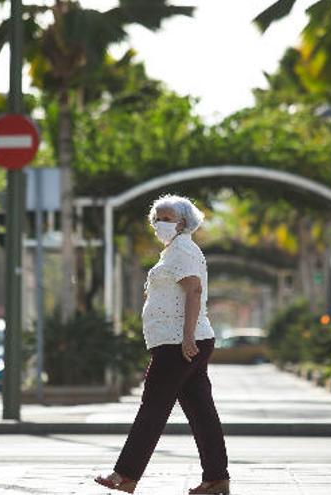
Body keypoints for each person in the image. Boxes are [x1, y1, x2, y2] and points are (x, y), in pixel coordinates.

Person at [94, 194, 230, 494]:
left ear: (182, 222)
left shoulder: (182, 248)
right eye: (157, 218)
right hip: (176, 342)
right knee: (201, 412)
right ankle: (217, 479)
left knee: (152, 408)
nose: (160, 224)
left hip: (178, 344)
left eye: (167, 219)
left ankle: (126, 475)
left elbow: (193, 292)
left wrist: (187, 337)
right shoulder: (171, 252)